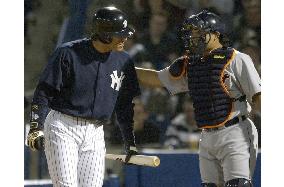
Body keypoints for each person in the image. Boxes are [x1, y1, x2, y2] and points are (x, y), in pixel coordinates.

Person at [135, 10, 261, 187]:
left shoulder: (237, 58)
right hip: (207, 134)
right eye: (192, 33)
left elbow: (258, 96)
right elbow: (157, 79)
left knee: (238, 184)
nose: (193, 37)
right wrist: (127, 69)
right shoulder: (191, 64)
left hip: (236, 130)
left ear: (216, 33)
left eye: (199, 32)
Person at [26, 6, 141, 187]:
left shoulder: (123, 60)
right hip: (63, 126)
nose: (125, 38)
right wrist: (36, 127)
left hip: (95, 131)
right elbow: (44, 92)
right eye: (120, 34)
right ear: (104, 34)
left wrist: (130, 143)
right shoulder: (68, 53)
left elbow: (125, 105)